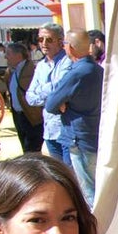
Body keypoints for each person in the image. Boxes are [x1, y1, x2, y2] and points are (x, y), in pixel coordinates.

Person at [45, 30, 104, 207]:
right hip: (95, 132)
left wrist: (64, 105)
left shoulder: (77, 72)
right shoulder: (98, 70)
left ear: (70, 47)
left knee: (89, 190)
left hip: (78, 136)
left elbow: (51, 104)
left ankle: (98, 230)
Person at [24, 23, 72, 167]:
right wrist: (50, 91)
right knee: (58, 174)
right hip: (49, 130)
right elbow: (30, 97)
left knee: (72, 176)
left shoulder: (67, 61)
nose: (44, 44)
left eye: (49, 39)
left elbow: (60, 88)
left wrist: (43, 90)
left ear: (60, 41)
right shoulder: (41, 66)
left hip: (66, 129)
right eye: (40, 39)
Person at [5, 42, 44, 153]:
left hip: (31, 116)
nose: (5, 56)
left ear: (18, 56)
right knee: (26, 147)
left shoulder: (32, 69)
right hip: (19, 115)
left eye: (8, 54)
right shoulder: (10, 71)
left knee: (32, 149)